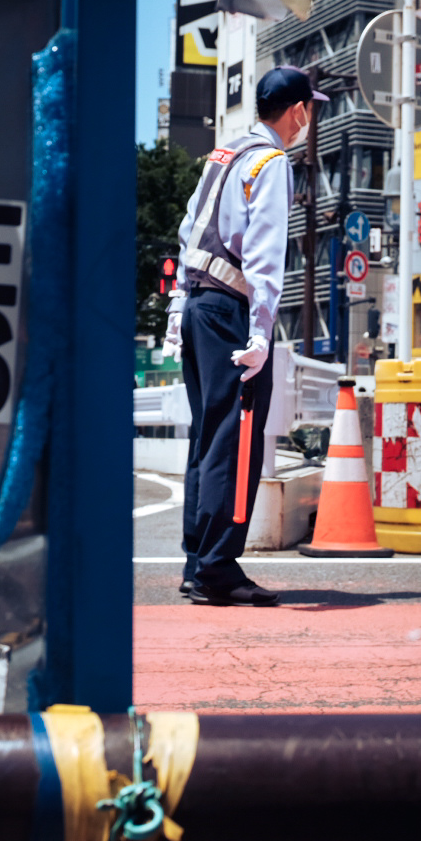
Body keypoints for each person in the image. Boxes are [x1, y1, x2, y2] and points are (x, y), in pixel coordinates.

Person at [162, 67, 324, 606]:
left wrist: (178, 307)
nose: (308, 119)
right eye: (309, 109)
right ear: (297, 110)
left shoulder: (225, 154)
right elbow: (264, 256)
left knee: (208, 436)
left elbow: (188, 230)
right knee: (236, 437)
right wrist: (260, 333)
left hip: (198, 304)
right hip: (231, 311)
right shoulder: (272, 163)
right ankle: (218, 569)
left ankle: (197, 562)